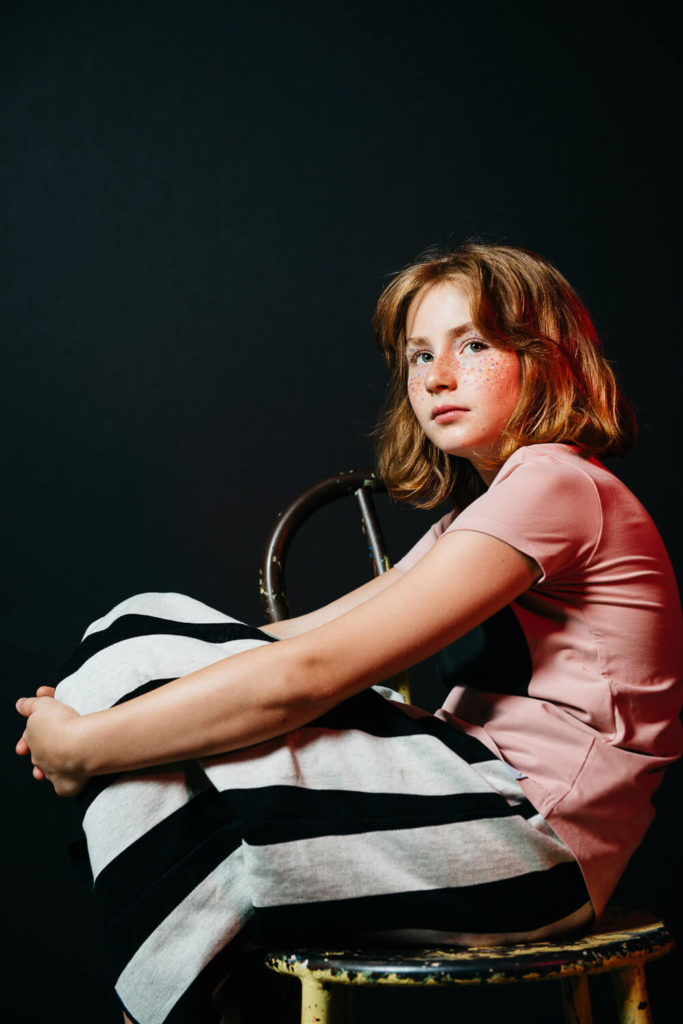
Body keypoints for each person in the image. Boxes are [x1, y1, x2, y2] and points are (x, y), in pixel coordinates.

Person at [16, 243, 683, 1024]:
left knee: (146, 684)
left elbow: (310, 674)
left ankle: (184, 999)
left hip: (536, 846)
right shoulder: (478, 517)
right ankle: (194, 992)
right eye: (418, 355)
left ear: (549, 359)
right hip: (475, 800)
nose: (436, 376)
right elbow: (291, 638)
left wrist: (88, 744)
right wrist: (102, 707)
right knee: (138, 634)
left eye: (473, 345)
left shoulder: (557, 483)